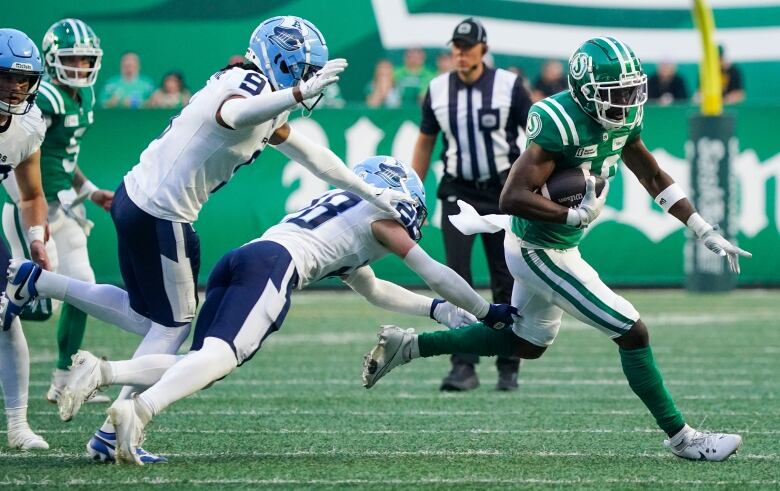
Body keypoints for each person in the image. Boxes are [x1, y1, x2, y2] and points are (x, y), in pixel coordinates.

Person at [1, 15, 413, 463]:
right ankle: (110, 429)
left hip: (137, 199)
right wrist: (294, 93)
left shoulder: (259, 92)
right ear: (283, 62)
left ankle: (35, 282)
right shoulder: (251, 88)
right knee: (175, 328)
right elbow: (234, 113)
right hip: (163, 213)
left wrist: (367, 190)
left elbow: (314, 156)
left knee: (144, 316)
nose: (311, 81)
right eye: (306, 72)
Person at [362, 37, 751, 462]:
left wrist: (698, 225)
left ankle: (410, 347)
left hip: (556, 244)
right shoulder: (558, 121)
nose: (625, 102)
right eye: (614, 93)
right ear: (586, 91)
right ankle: (683, 438)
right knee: (632, 331)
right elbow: (512, 196)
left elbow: (649, 170)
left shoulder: (622, 116)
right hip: (539, 249)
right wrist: (569, 217)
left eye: (629, 90)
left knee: (526, 343)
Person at [16, 156, 516, 464]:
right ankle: (114, 382)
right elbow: (432, 269)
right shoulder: (381, 217)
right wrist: (481, 306)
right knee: (221, 358)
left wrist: (437, 311)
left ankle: (107, 435)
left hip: (246, 256)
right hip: (276, 267)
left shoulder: (343, 215)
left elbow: (374, 289)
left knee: (203, 362)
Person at [412, 17, 531, 391]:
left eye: (467, 47)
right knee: (456, 278)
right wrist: (412, 190)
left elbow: (537, 138)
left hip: (502, 192)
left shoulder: (509, 86)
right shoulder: (436, 90)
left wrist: (534, 185)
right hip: (458, 192)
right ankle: (463, 364)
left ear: (483, 48)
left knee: (506, 276)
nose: (460, 53)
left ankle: (509, 363)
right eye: (456, 47)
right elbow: (425, 141)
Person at [7, 19, 115, 405]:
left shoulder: (83, 98)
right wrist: (27, 210)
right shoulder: (45, 98)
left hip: (62, 206)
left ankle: (64, 378)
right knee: (31, 305)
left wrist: (87, 190)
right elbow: (21, 153)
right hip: (30, 209)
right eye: (74, 59)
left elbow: (65, 157)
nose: (81, 67)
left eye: (87, 60)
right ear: (52, 61)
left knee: (83, 287)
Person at [0, 28, 52, 450]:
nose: (15, 88)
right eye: (5, 77)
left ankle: (17, 425)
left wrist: (36, 238)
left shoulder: (28, 127)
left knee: (5, 317)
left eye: (23, 79)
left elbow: (32, 194)